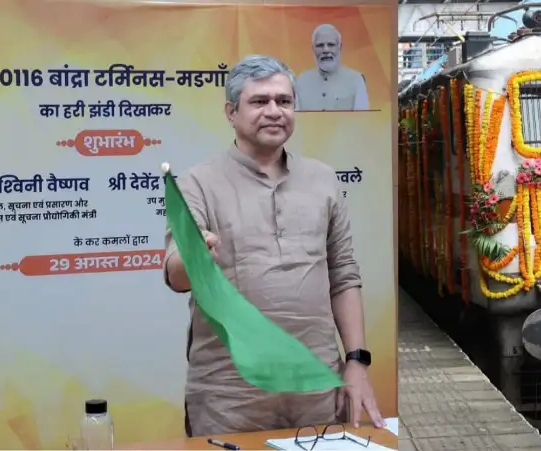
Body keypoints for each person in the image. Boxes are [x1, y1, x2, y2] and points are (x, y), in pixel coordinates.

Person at [163, 54, 384, 436]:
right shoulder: (197, 183)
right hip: (229, 395)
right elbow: (175, 275)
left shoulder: (324, 179)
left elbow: (344, 275)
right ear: (231, 113)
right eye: (259, 101)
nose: (274, 111)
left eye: (284, 101)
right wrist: (195, 257)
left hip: (316, 384)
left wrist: (356, 362)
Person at [295, 23, 369, 111]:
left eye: (331, 45)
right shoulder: (301, 82)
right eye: (320, 45)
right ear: (313, 49)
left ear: (340, 47)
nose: (326, 50)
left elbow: (363, 121)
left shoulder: (356, 80)